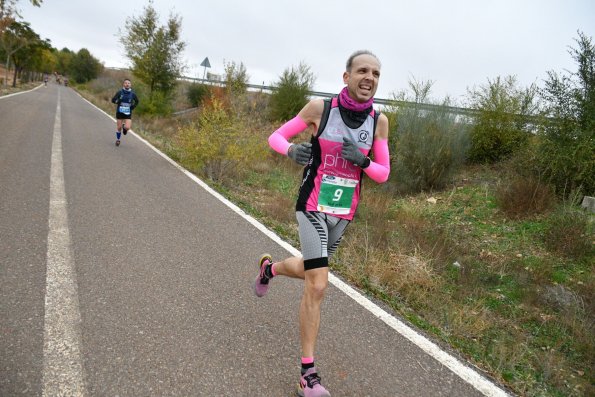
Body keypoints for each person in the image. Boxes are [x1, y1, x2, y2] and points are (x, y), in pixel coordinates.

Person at [254, 50, 390, 397]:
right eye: (362, 70)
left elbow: (383, 174)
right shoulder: (321, 109)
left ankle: (270, 269)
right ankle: (307, 374)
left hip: (342, 213)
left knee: (311, 269)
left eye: (375, 73)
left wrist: (363, 161)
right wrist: (290, 151)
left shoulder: (380, 121)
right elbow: (277, 137)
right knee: (317, 285)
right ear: (346, 76)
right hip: (312, 204)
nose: (369, 77)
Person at [111, 78, 139, 147]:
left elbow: (137, 101)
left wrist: (133, 106)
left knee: (127, 127)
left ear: (130, 85)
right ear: (123, 84)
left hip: (127, 113)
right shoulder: (120, 92)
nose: (127, 84)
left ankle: (124, 127)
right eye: (126, 83)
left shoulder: (133, 94)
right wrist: (118, 101)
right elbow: (113, 100)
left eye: (128, 83)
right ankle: (118, 140)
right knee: (119, 127)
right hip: (119, 112)